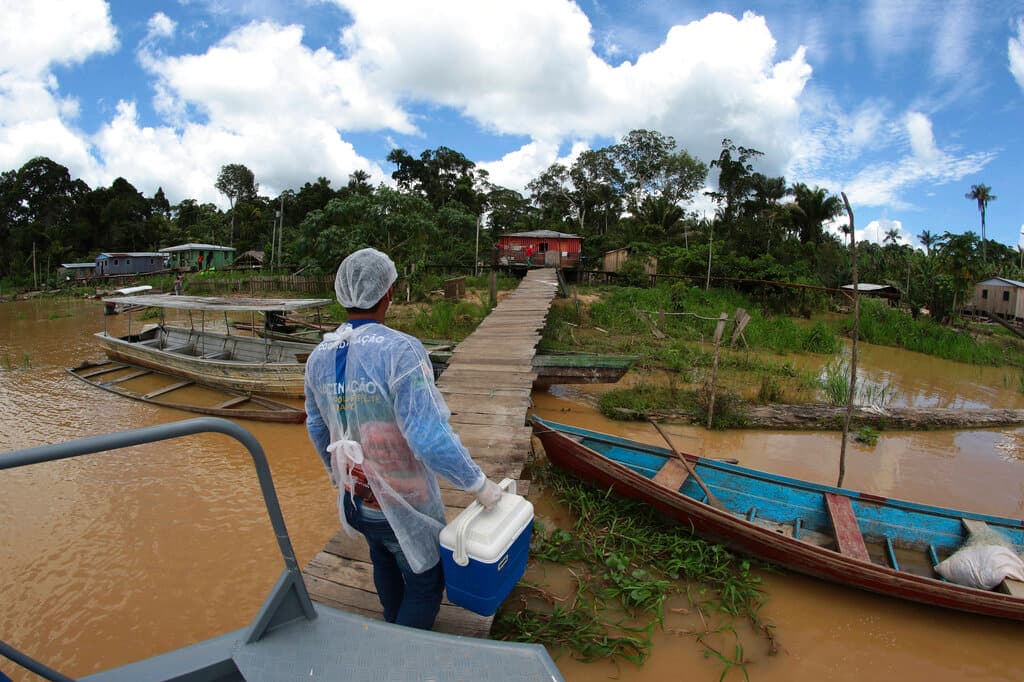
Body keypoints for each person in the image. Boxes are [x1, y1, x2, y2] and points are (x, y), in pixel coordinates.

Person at [304, 247, 502, 630]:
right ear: (389, 293)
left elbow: (316, 427)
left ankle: (390, 624)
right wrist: (479, 484)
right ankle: (404, 653)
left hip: (355, 501)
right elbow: (428, 437)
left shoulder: (319, 355)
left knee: (382, 557)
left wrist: (340, 478)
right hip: (403, 505)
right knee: (427, 584)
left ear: (342, 293)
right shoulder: (402, 351)